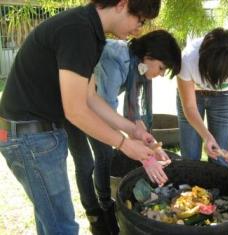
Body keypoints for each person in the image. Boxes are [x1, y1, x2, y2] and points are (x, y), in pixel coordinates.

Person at [0, 0, 163, 234]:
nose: (139, 29)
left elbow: (90, 98)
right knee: (63, 227)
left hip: (37, 135)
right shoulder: (79, 30)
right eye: (140, 19)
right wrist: (124, 144)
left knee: (51, 222)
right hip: (30, 138)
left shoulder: (90, 32)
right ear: (122, 4)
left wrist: (134, 130)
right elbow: (75, 110)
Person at [65, 29, 181, 235]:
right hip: (71, 107)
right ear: (150, 56)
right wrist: (131, 145)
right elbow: (105, 108)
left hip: (94, 106)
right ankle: (95, 214)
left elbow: (133, 114)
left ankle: (105, 203)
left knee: (104, 154)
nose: (161, 74)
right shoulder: (116, 60)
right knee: (85, 163)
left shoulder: (135, 66)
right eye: (162, 68)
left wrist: (151, 146)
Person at [176, 27, 228, 167]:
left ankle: (216, 189)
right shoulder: (188, 58)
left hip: (224, 99)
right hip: (193, 94)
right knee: (190, 157)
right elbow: (189, 107)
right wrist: (207, 137)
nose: (216, 85)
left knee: (221, 159)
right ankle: (188, 187)